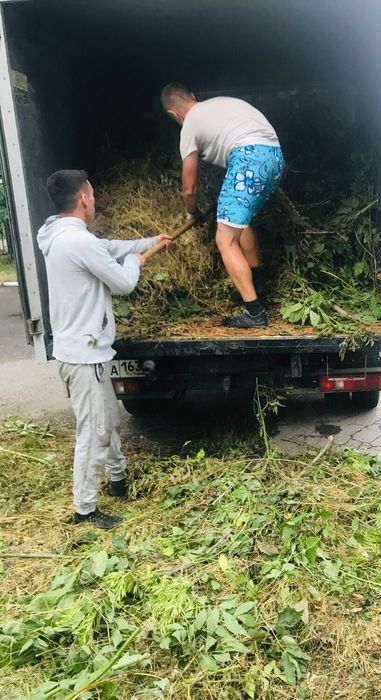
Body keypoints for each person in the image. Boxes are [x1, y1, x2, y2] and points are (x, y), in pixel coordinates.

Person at [37, 170, 171, 529]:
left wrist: (149, 241)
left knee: (106, 417)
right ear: (84, 198)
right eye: (92, 195)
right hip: (85, 354)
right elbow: (124, 283)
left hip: (81, 351)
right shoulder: (78, 242)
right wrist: (135, 262)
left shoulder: (61, 235)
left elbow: (107, 247)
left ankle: (118, 478)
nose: (94, 200)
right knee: (94, 431)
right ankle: (85, 510)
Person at [160, 83, 285, 328]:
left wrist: (191, 213)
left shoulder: (189, 125)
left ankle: (254, 313)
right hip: (274, 158)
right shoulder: (219, 103)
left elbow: (189, 188)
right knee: (240, 222)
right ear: (192, 96)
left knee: (224, 239)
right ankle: (257, 285)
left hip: (248, 157)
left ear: (172, 114)